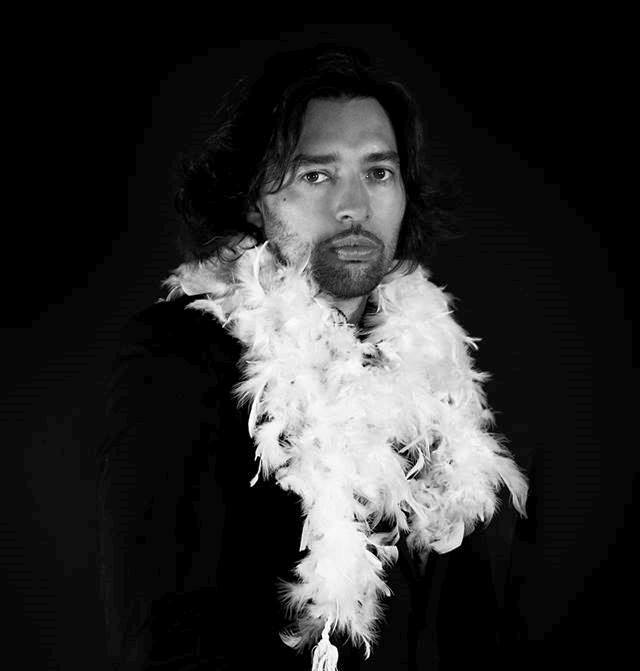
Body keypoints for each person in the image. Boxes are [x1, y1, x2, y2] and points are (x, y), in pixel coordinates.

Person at [97, 44, 529, 670]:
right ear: (254, 198)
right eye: (316, 176)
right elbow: (164, 644)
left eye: (378, 173)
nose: (354, 205)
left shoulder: (434, 367)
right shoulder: (177, 357)